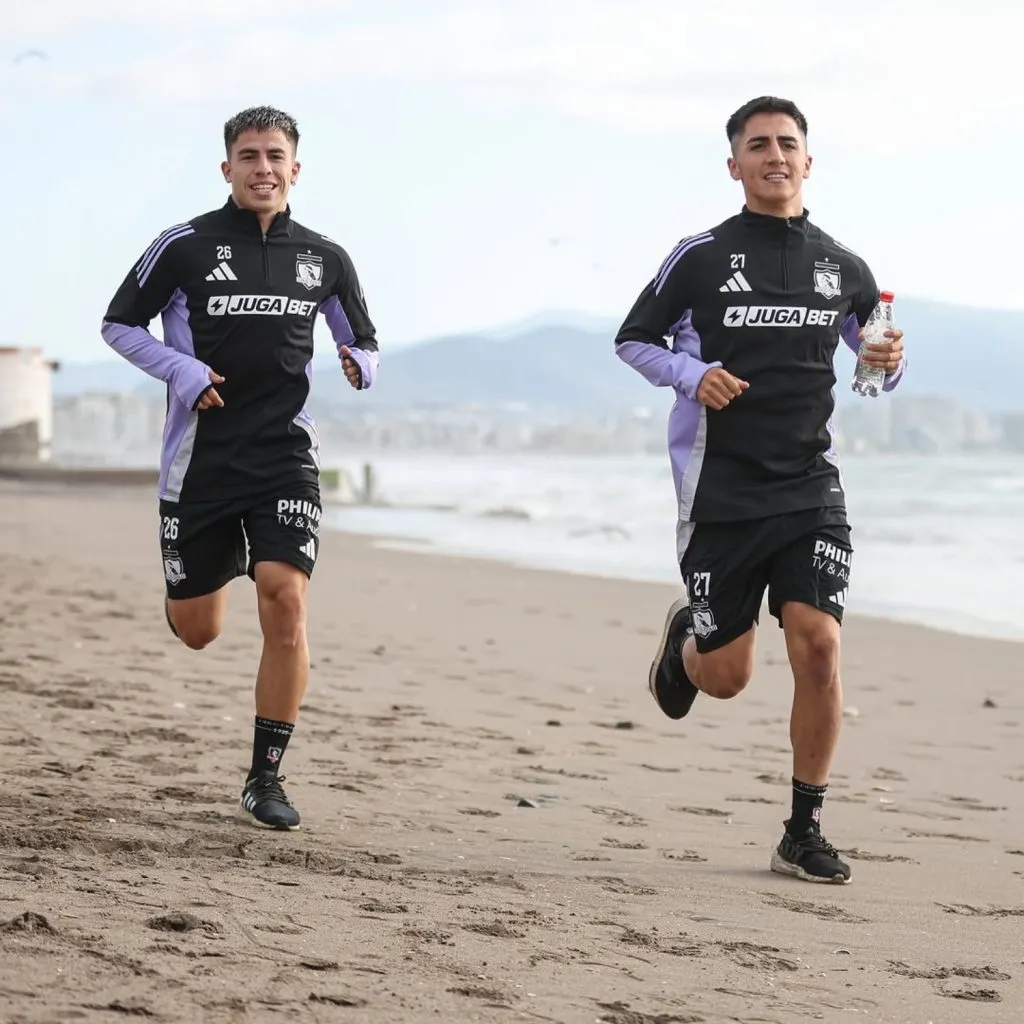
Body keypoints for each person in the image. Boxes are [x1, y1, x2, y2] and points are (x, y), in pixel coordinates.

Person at [614, 95, 906, 884]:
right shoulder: (700, 256)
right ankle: (686, 647)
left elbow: (874, 372)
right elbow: (633, 339)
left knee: (819, 644)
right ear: (735, 164)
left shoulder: (845, 267)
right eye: (758, 145)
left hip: (810, 485)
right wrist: (692, 373)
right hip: (721, 492)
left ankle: (802, 829)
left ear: (808, 160)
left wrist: (885, 363)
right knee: (728, 676)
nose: (774, 155)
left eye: (787, 143)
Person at [100, 105, 379, 831]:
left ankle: (265, 776)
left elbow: (363, 339)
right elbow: (119, 324)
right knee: (199, 629)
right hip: (201, 460)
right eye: (249, 156)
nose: (263, 168)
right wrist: (184, 369)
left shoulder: (326, 257)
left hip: (285, 453)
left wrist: (359, 363)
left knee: (284, 596)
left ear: (296, 168)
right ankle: (186, 591)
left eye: (275, 155)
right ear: (227, 168)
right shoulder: (184, 246)